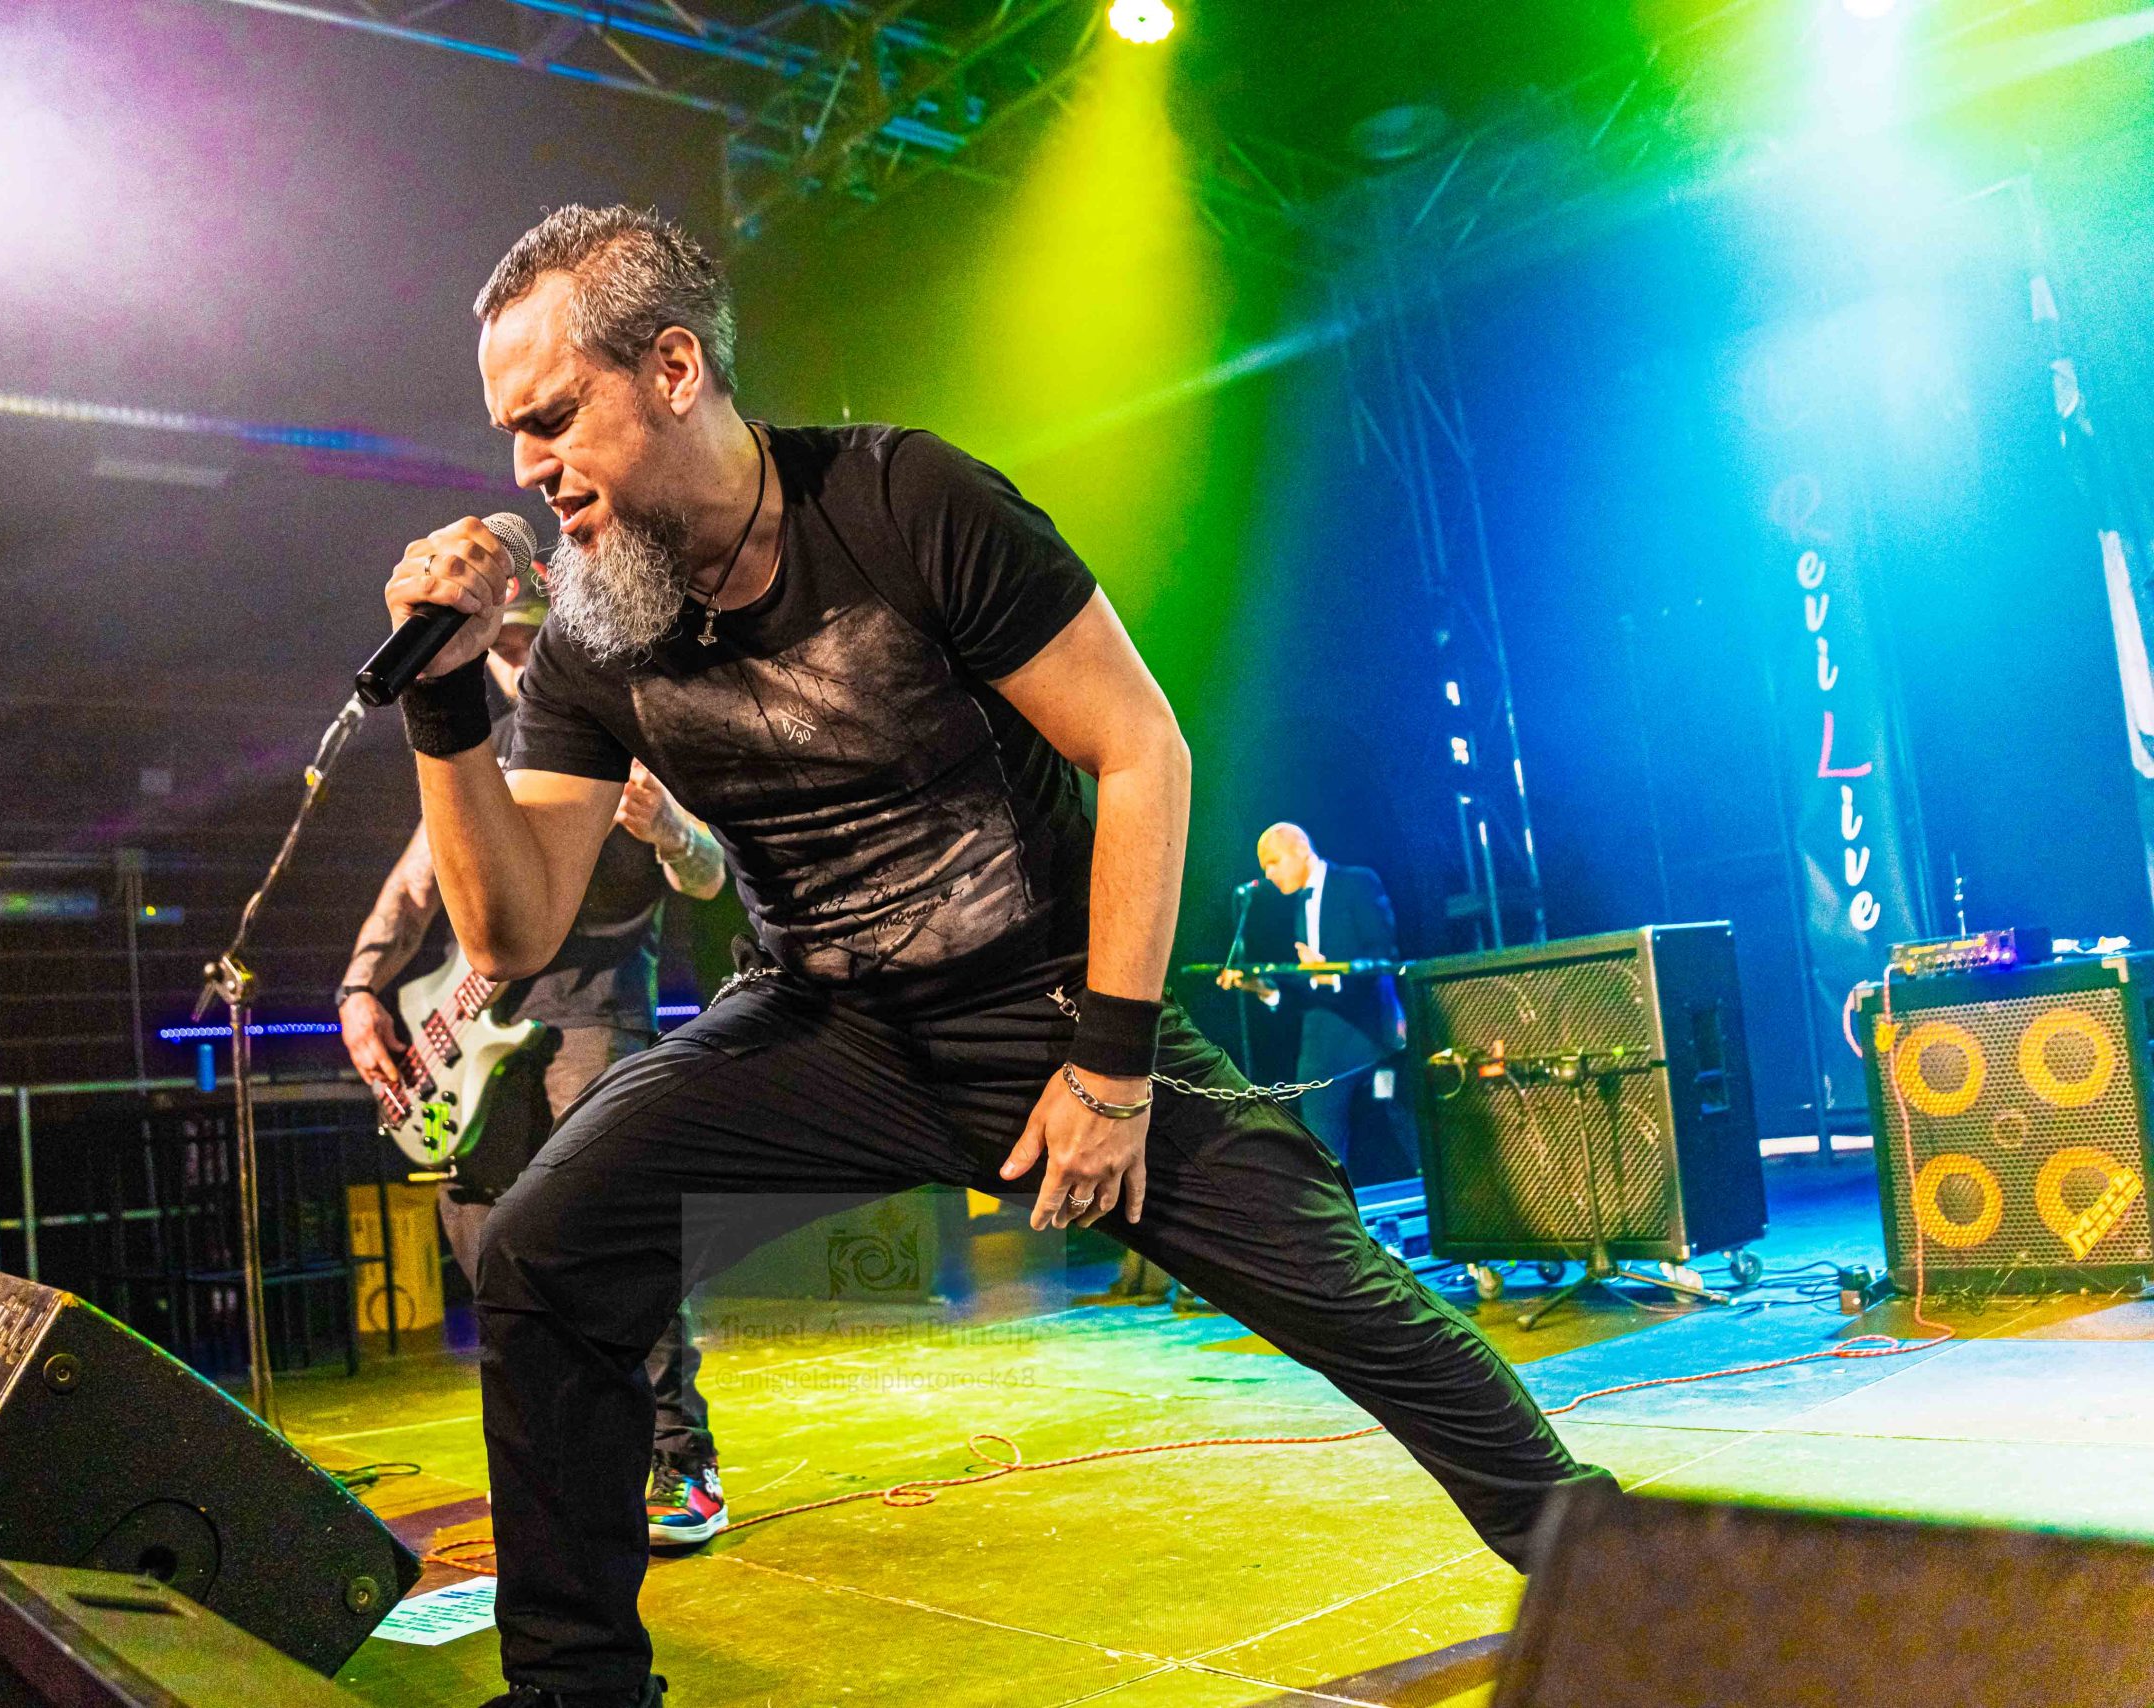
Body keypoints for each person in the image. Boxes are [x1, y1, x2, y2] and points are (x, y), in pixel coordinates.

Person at [381, 204, 1614, 1708]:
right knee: (543, 1247)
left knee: (1339, 1291)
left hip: (1040, 1002)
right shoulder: (591, 628)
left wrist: (1110, 1068)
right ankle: (577, 1693)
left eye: (553, 416)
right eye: (509, 433)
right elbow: (512, 930)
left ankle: (1626, 1579)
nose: (525, 467)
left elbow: (1140, 751)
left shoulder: (905, 500)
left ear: (676, 369)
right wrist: (444, 701)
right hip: (816, 1022)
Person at [337, 594, 735, 1550]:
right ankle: (557, 1461)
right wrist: (358, 988)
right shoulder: (491, 749)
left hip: (593, 1015)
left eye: (531, 635)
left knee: (614, 1235)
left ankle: (680, 1462)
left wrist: (668, 829)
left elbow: (712, 873)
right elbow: (418, 879)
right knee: (485, 1241)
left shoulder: (640, 730)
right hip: (474, 1024)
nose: (515, 655)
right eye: (503, 642)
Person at [1215, 822, 1405, 1165]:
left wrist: (1333, 972)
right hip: (1323, 1039)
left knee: (1411, 1127)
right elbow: (1307, 984)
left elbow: (1383, 955)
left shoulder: (1356, 882)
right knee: (1323, 1150)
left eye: (1274, 862)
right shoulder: (1297, 902)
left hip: (1371, 1030)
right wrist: (1264, 990)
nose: (1269, 874)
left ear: (1302, 849)